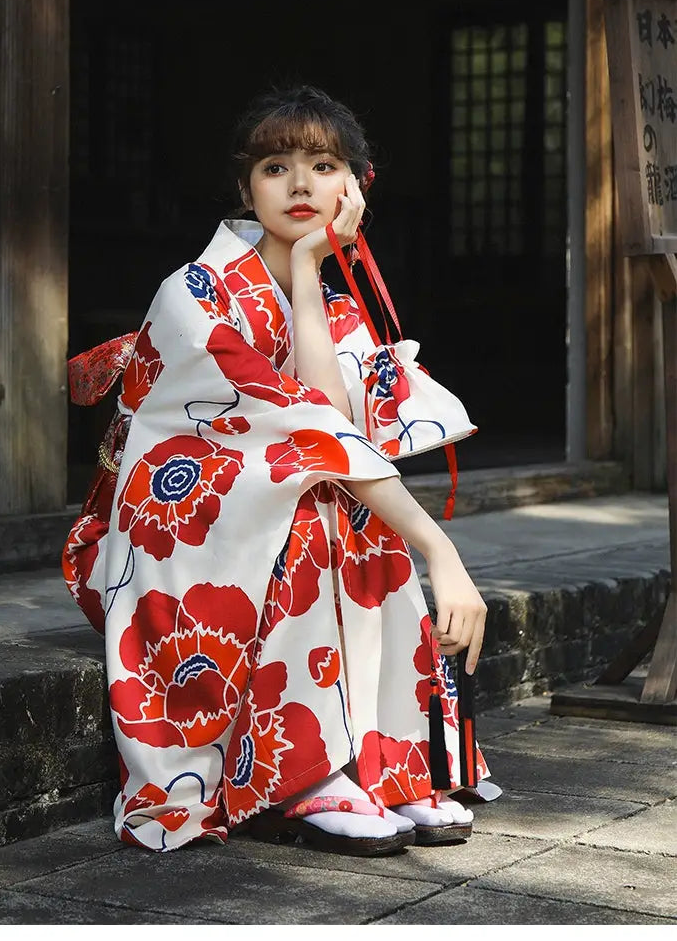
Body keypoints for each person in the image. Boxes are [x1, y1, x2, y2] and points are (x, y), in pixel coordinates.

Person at [62, 84, 490, 857]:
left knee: (344, 502)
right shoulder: (192, 292)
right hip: (177, 522)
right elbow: (314, 429)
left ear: (356, 186)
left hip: (274, 489)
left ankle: (387, 760)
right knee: (318, 500)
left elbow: (333, 425)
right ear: (243, 186)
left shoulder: (336, 300)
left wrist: (307, 271)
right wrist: (441, 548)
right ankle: (305, 774)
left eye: (324, 165)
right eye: (275, 165)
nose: (300, 184)